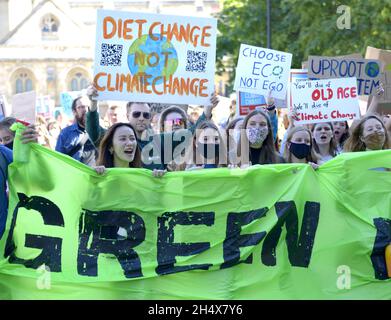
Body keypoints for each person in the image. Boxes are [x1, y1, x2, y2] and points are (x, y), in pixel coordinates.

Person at [86, 85, 218, 170]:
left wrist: (206, 111)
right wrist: (93, 104)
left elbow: (190, 134)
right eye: (137, 114)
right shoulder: (117, 139)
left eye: (146, 114)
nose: (141, 118)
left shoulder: (160, 142)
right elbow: (94, 133)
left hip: (152, 207)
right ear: (127, 115)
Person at [0, 124, 38, 238]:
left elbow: (35, 176)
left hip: (4, 244)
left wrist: (34, 149)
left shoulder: (2, 154)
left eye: (6, 139)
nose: (3, 142)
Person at [55, 96, 97, 166]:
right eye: (81, 107)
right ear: (74, 112)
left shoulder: (100, 132)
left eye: (88, 106)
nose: (86, 109)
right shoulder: (65, 134)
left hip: (97, 175)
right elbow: (59, 161)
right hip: (76, 175)